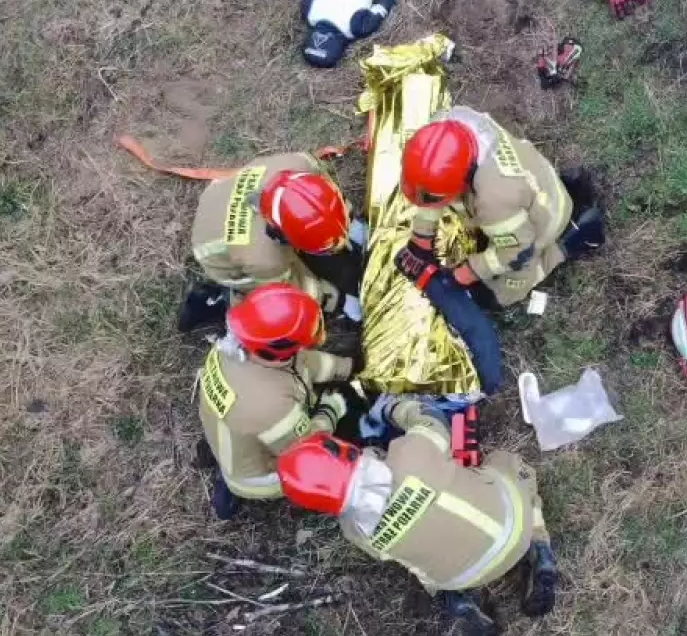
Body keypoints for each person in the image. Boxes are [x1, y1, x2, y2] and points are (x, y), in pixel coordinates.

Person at [276, 399, 559, 636]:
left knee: (416, 559)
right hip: (515, 527)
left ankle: (456, 599)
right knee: (507, 463)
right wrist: (391, 408)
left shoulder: (355, 530)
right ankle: (540, 548)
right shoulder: (410, 456)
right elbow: (432, 419)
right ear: (343, 451)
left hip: (461, 576)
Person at [392, 107, 605, 308]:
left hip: (542, 221)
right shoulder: (444, 128)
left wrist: (467, 273)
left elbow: (517, 250)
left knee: (500, 290)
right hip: (531, 183)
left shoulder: (494, 198)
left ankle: (571, 240)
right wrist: (421, 238)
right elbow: (431, 186)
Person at [197, 283, 359, 520]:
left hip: (233, 433)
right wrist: (332, 408)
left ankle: (234, 463)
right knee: (328, 463)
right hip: (256, 477)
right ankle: (238, 486)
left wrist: (347, 368)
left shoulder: (235, 346)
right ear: (282, 349)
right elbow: (307, 449)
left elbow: (302, 362)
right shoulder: (270, 404)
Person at [180, 152, 365, 332]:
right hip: (214, 249)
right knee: (279, 303)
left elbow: (325, 195)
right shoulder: (264, 260)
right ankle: (222, 300)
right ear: (279, 234)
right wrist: (339, 300)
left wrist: (352, 225)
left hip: (220, 193)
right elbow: (296, 290)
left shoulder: (301, 164)